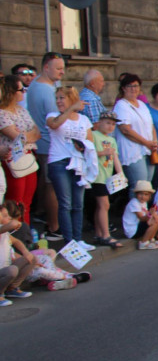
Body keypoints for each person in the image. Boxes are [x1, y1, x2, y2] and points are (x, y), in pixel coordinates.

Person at [46, 86, 96, 250]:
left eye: (62, 98)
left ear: (71, 99)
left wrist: (82, 146)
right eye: (57, 98)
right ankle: (69, 241)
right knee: (65, 203)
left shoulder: (83, 120)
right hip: (59, 162)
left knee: (78, 203)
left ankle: (78, 238)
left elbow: (90, 141)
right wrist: (70, 110)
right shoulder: (53, 115)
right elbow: (54, 125)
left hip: (78, 163)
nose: (59, 101)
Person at [25, 52, 64, 240]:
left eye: (63, 68)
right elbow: (55, 120)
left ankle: (42, 213)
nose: (62, 72)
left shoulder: (35, 85)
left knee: (46, 182)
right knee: (52, 185)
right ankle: (54, 227)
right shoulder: (46, 90)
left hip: (43, 143)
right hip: (50, 144)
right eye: (58, 68)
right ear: (46, 67)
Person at [0, 75, 40, 230]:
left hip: (28, 158)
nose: (24, 91)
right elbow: (17, 138)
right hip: (12, 161)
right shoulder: (2, 114)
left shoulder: (21, 110)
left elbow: (37, 132)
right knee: (14, 203)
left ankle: (26, 235)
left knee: (26, 203)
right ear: (10, 92)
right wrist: (26, 135)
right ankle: (15, 238)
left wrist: (25, 135)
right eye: (21, 89)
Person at [113, 74, 158, 188]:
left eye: (136, 86)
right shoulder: (121, 105)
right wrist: (147, 142)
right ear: (123, 88)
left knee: (147, 186)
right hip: (132, 150)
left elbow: (151, 125)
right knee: (139, 186)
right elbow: (125, 130)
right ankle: (134, 206)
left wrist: (154, 142)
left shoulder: (142, 104)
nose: (134, 89)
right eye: (130, 86)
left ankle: (144, 207)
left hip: (148, 149)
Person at [90, 110, 124, 248]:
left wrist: (121, 174)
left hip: (107, 177)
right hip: (97, 176)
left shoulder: (112, 140)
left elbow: (115, 158)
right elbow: (89, 153)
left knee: (102, 205)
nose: (111, 126)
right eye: (108, 123)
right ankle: (105, 235)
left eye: (113, 124)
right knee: (104, 205)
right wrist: (103, 152)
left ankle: (99, 233)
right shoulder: (93, 135)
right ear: (99, 123)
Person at [122, 180, 158, 250]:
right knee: (154, 221)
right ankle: (143, 242)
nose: (143, 197)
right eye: (140, 194)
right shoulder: (134, 203)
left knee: (157, 218)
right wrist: (151, 214)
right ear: (136, 194)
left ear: (149, 196)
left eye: (146, 194)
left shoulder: (143, 203)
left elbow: (147, 213)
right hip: (132, 230)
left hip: (138, 226)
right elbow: (142, 218)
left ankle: (151, 239)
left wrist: (155, 214)